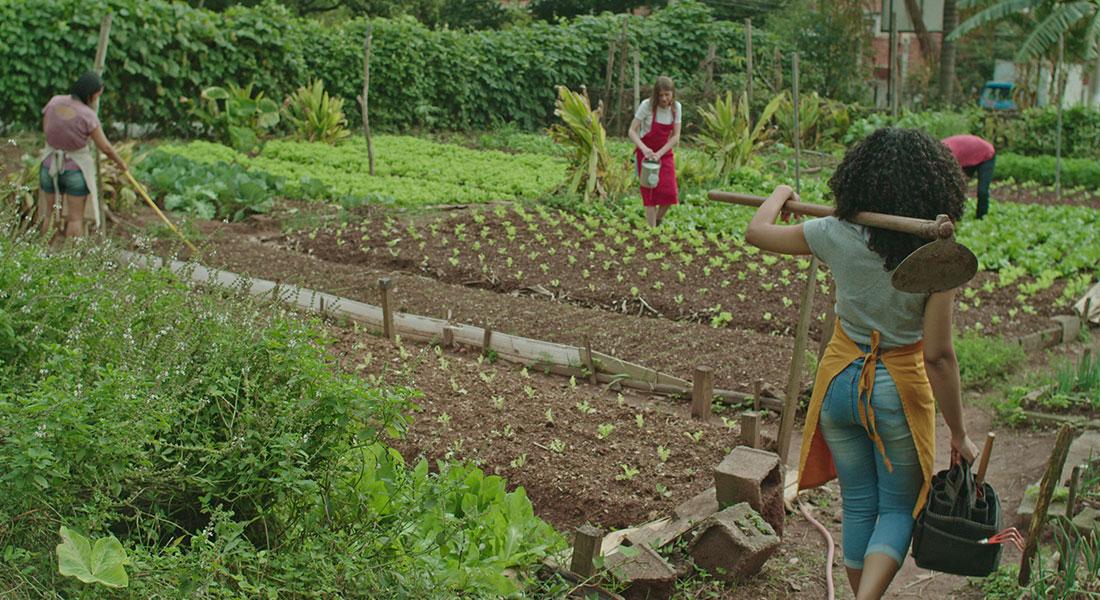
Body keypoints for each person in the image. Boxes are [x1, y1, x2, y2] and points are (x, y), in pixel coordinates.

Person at [744, 128, 980, 600]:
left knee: (857, 506)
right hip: (897, 390)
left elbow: (757, 232)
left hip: (839, 387)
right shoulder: (938, 257)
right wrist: (959, 431)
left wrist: (779, 194)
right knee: (895, 511)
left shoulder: (834, 232)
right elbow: (937, 355)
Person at [37, 71, 128, 239]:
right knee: (75, 219)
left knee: (49, 215)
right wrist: (121, 163)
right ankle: (71, 260)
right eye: (97, 95)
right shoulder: (87, 115)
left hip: (49, 165)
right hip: (75, 169)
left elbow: (47, 130)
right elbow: (105, 147)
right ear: (91, 94)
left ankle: (43, 255)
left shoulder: (54, 102)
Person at [628, 76, 681, 227]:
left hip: (664, 153)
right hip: (646, 154)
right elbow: (632, 131)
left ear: (673, 94)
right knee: (649, 193)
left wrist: (660, 153)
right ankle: (652, 231)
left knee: (670, 193)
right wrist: (644, 149)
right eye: (661, 95)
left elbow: (676, 136)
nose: (664, 99)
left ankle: (657, 221)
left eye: (667, 94)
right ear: (655, 94)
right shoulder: (647, 106)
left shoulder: (676, 108)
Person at [942, 134, 996, 219]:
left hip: (986, 154)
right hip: (967, 156)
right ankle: (955, 214)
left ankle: (981, 217)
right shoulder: (940, 151)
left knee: (982, 191)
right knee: (957, 188)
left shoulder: (947, 154)